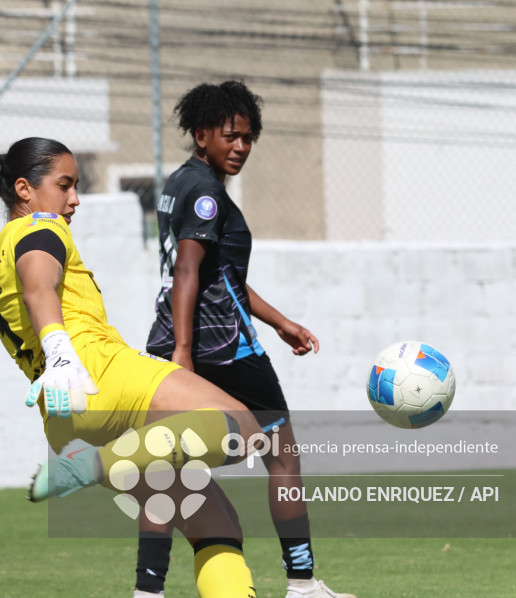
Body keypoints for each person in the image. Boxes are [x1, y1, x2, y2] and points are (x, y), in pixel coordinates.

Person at [0, 136, 267, 598]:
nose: (74, 199)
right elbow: (39, 287)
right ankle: (92, 465)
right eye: (64, 185)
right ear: (24, 190)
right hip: (95, 374)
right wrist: (62, 350)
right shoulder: (38, 230)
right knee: (241, 427)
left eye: (76, 186)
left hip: (62, 415)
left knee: (214, 521)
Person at [135, 81, 356, 598]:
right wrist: (187, 355)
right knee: (282, 456)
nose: (240, 147)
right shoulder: (208, 194)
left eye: (248, 138)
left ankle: (147, 591)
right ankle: (302, 585)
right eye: (231, 136)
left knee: (165, 462)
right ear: (201, 133)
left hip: (173, 338)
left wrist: (281, 322)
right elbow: (189, 272)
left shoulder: (180, 182)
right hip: (220, 347)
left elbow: (219, 274)